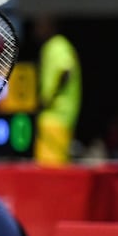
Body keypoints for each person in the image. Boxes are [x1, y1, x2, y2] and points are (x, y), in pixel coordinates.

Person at [32, 14, 82, 166]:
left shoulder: (57, 45)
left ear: (50, 27)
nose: (36, 31)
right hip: (55, 114)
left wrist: (50, 98)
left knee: (51, 168)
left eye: (40, 26)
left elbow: (66, 71)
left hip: (57, 115)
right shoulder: (54, 46)